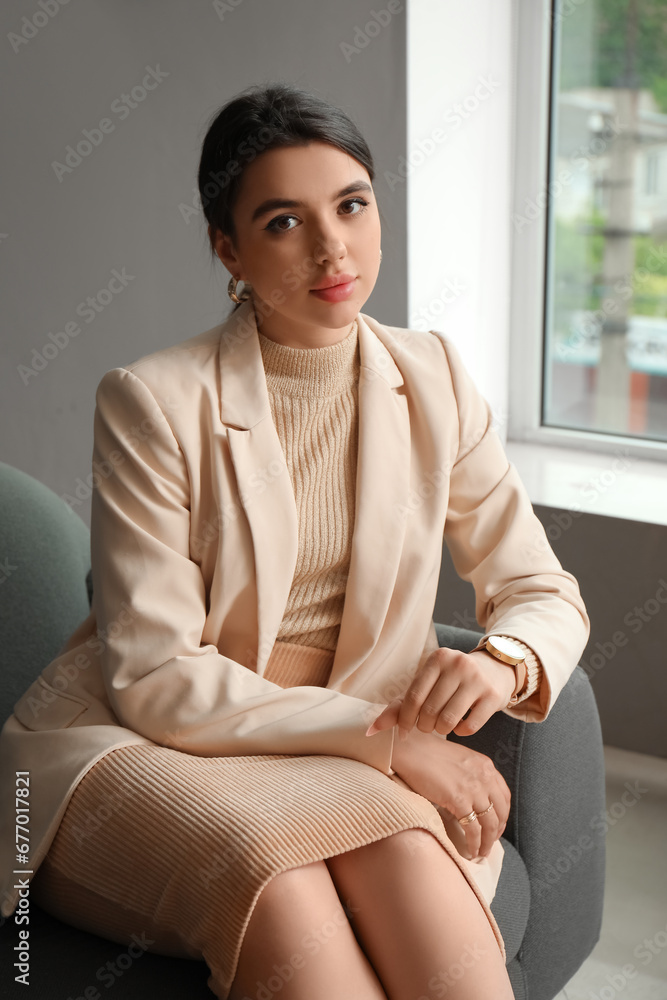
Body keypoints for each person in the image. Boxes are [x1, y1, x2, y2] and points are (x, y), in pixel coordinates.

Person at [0, 83, 590, 999]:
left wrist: (503, 663)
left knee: (420, 896)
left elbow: (537, 586)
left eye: (351, 204)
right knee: (284, 893)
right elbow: (155, 676)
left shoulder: (431, 374)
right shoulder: (151, 400)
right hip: (148, 741)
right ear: (227, 248)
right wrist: (390, 743)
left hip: (339, 747)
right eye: (283, 222)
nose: (332, 248)